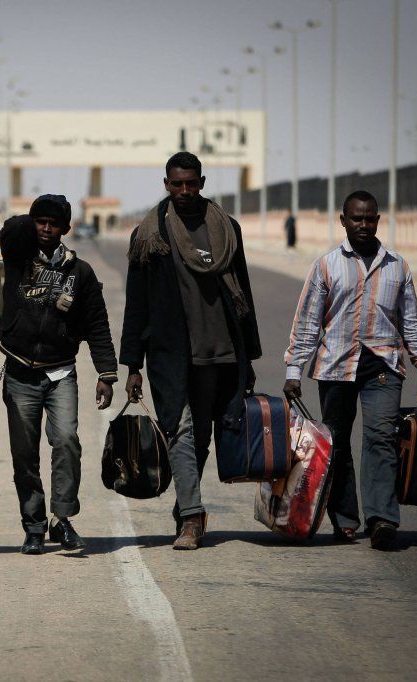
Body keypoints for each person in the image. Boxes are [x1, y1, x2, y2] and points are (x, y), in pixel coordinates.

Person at [120, 152, 261, 550]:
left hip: (219, 351)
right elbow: (138, 303)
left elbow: (243, 294)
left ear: (202, 182)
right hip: (169, 353)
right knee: (178, 430)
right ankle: (193, 517)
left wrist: (248, 358)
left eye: (191, 183)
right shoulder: (149, 235)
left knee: (200, 439)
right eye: (176, 184)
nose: (184, 191)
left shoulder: (226, 229)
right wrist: (133, 364)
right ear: (166, 184)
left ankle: (186, 504)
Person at [283, 190, 417, 550]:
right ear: (343, 221)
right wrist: (294, 369)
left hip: (383, 367)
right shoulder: (326, 266)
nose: (363, 225)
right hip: (335, 367)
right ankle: (346, 518)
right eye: (356, 218)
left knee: (380, 438)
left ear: (378, 221)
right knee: (336, 444)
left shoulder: (397, 266)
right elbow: (308, 322)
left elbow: (410, 322)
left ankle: (382, 518)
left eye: (370, 219)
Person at [0, 194, 117, 555]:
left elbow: (97, 324)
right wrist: (29, 222)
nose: (46, 229)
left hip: (60, 373)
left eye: (54, 223)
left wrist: (106, 374)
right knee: (25, 455)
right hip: (19, 373)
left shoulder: (80, 272)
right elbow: (10, 230)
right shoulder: (18, 257)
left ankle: (61, 520)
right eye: (40, 221)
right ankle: (33, 526)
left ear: (66, 228)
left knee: (66, 441)